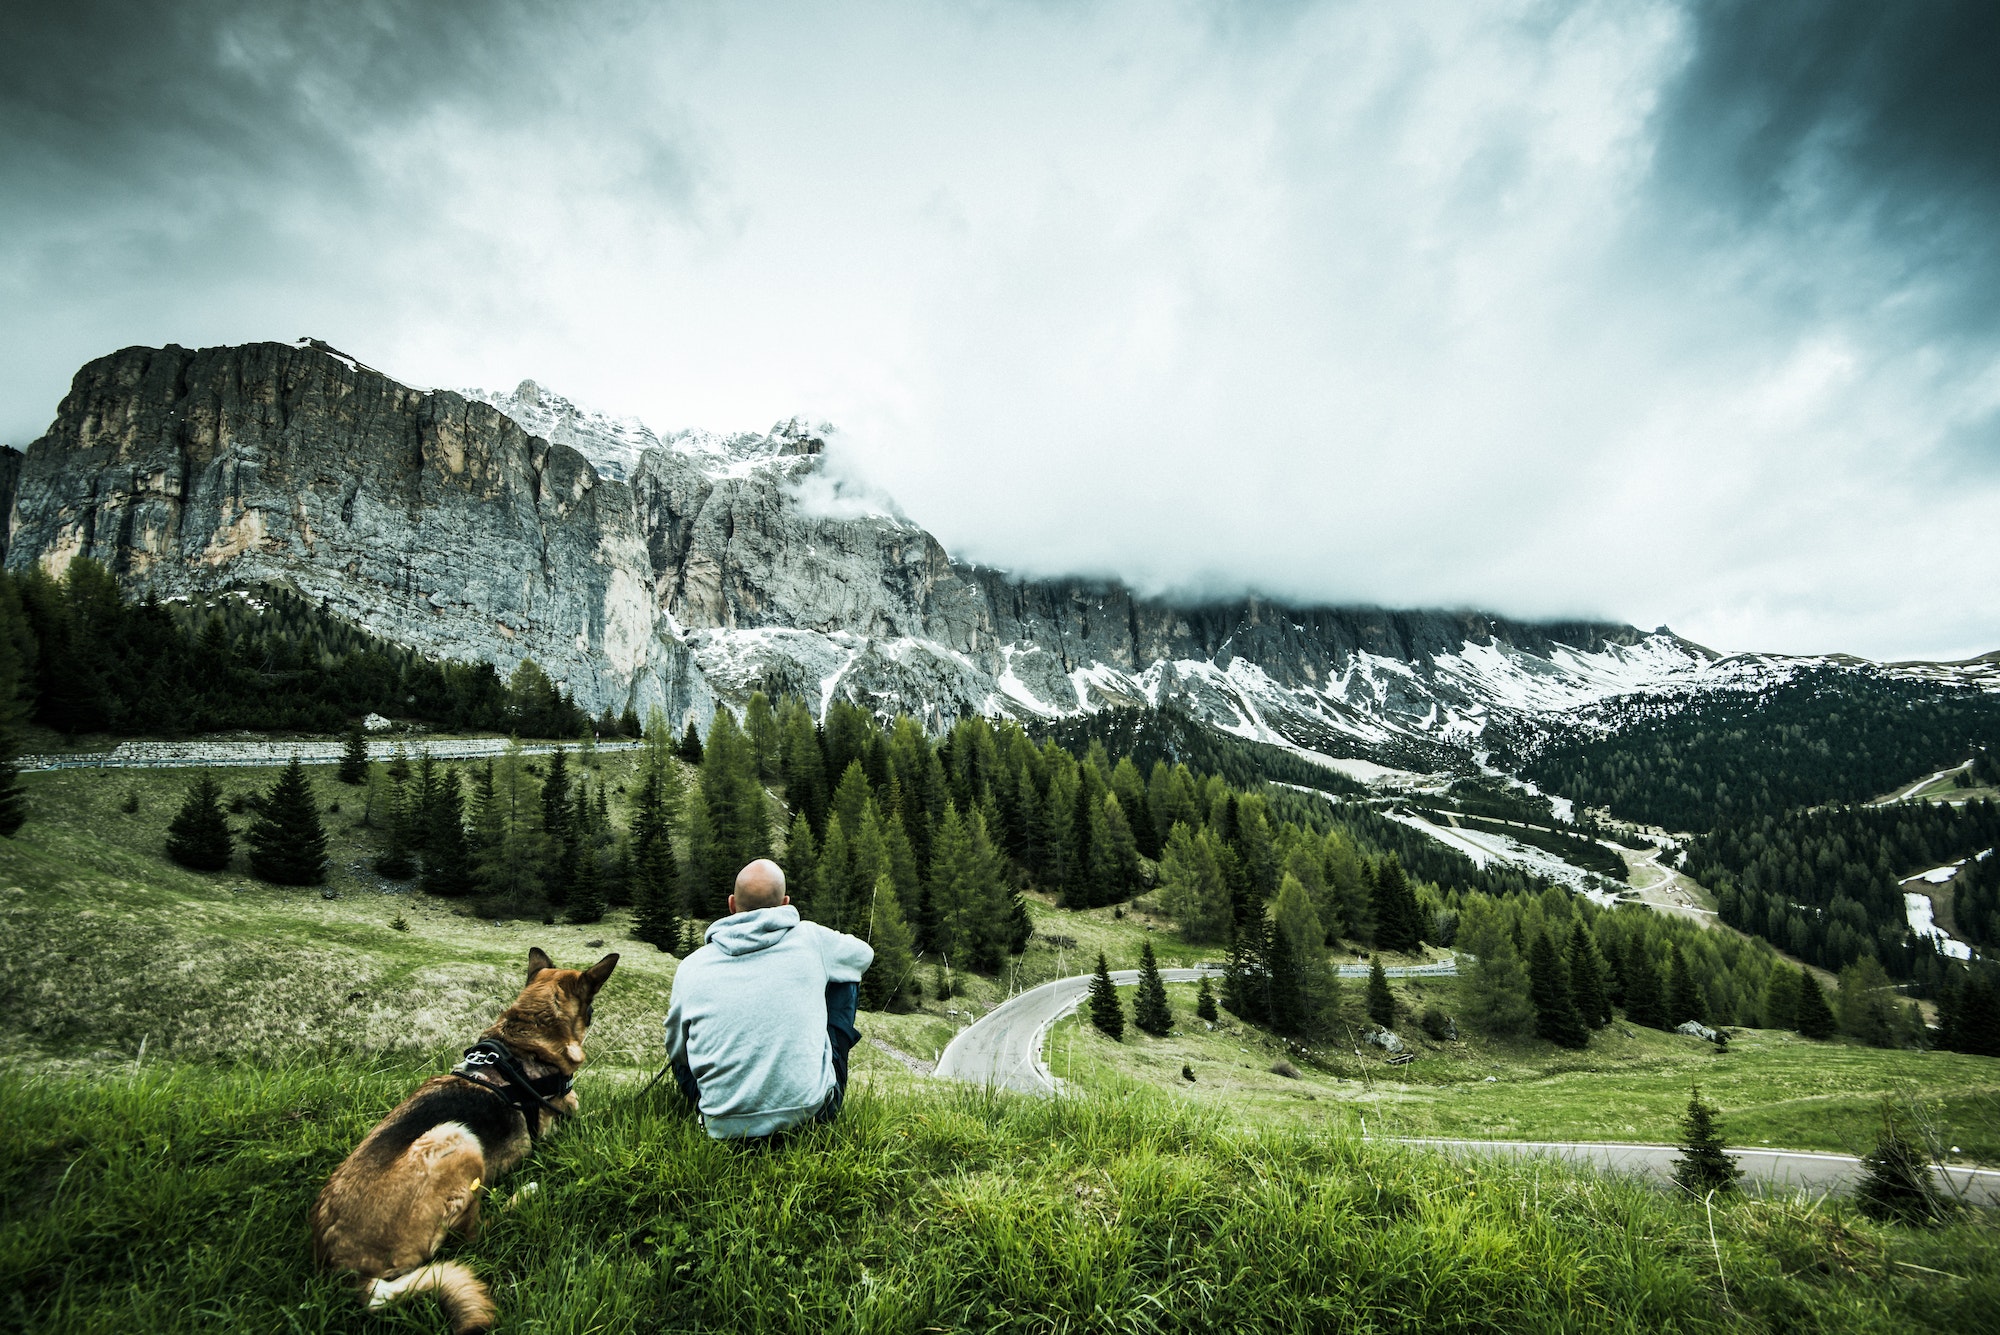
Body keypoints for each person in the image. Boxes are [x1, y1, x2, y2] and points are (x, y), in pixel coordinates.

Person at [663, 858, 873, 1138]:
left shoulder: (691, 965)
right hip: (812, 1115)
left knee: (681, 1041)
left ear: (732, 905)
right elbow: (863, 956)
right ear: (785, 903)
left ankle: (724, 1104)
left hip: (721, 1126)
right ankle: (813, 1078)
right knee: (845, 977)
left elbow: (678, 1052)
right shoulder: (812, 940)